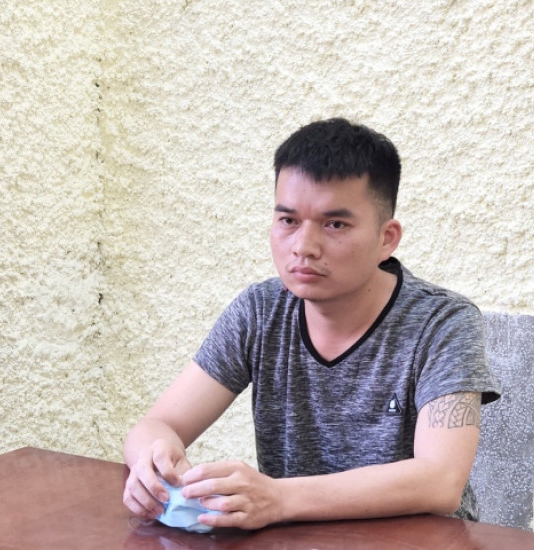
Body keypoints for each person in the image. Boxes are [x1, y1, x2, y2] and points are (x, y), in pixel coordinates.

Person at [122, 117, 501, 530]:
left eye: (335, 224)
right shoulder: (260, 311)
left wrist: (278, 497)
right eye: (288, 221)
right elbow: (156, 425)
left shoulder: (442, 322)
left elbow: (441, 479)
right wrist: (151, 463)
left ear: (387, 238)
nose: (303, 247)